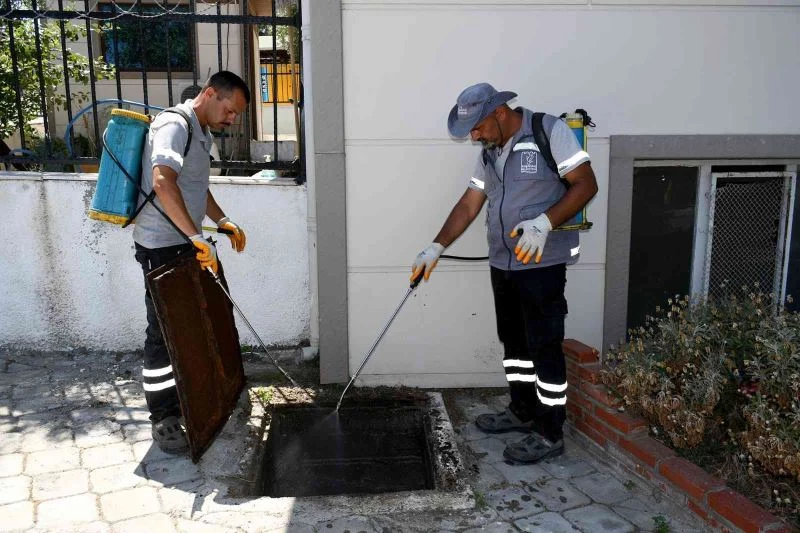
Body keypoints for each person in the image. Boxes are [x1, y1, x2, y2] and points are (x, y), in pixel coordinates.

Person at [411, 82, 598, 464]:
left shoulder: (548, 131)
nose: (474, 136)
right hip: (503, 263)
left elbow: (586, 184)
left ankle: (549, 432)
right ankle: (522, 409)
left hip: (542, 264)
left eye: (477, 127)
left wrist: (544, 223)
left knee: (544, 346)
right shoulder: (489, 152)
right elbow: (469, 204)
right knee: (514, 343)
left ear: (499, 112)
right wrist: (436, 246)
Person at [132, 71, 250, 453]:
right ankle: (163, 417)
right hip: (161, 247)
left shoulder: (202, 133)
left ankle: (202, 395)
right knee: (163, 332)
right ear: (210, 94)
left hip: (186, 243)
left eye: (236, 114)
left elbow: (196, 187)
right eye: (230, 110)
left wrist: (222, 220)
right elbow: (163, 182)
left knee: (202, 319)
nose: (232, 119)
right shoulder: (174, 125)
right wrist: (196, 237)